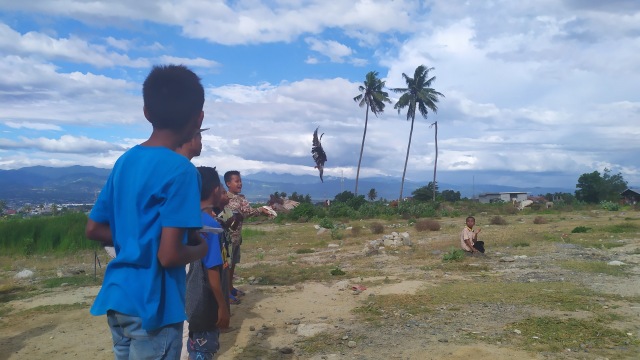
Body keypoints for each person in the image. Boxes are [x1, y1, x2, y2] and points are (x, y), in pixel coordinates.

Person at [85, 64, 208, 359]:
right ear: (199, 117)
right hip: (154, 305)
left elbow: (94, 229)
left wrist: (136, 234)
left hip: (118, 297)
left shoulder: (125, 161)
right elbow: (169, 256)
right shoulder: (182, 172)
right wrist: (201, 249)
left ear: (146, 112)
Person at [185, 166, 230, 359]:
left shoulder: (187, 220)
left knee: (192, 347)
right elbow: (212, 272)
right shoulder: (211, 226)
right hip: (205, 302)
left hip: (188, 300)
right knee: (204, 350)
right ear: (215, 190)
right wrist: (222, 306)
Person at [223, 170, 271, 304]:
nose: (240, 183)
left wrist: (261, 210)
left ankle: (230, 287)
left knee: (233, 264)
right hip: (227, 238)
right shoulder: (224, 198)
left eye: (240, 181)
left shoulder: (242, 198)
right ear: (228, 183)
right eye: (236, 181)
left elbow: (248, 212)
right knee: (226, 265)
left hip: (237, 237)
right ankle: (225, 292)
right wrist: (261, 210)